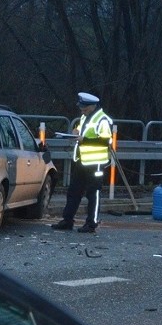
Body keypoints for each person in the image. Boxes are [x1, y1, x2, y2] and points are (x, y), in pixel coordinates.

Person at [51, 92, 113, 233]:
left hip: (96, 162)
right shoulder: (85, 117)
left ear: (92, 106)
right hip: (81, 161)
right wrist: (75, 131)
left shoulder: (102, 119)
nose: (82, 110)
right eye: (81, 108)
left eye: (84, 108)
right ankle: (67, 220)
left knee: (93, 193)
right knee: (73, 191)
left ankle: (91, 224)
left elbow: (106, 141)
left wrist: (84, 140)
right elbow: (81, 130)